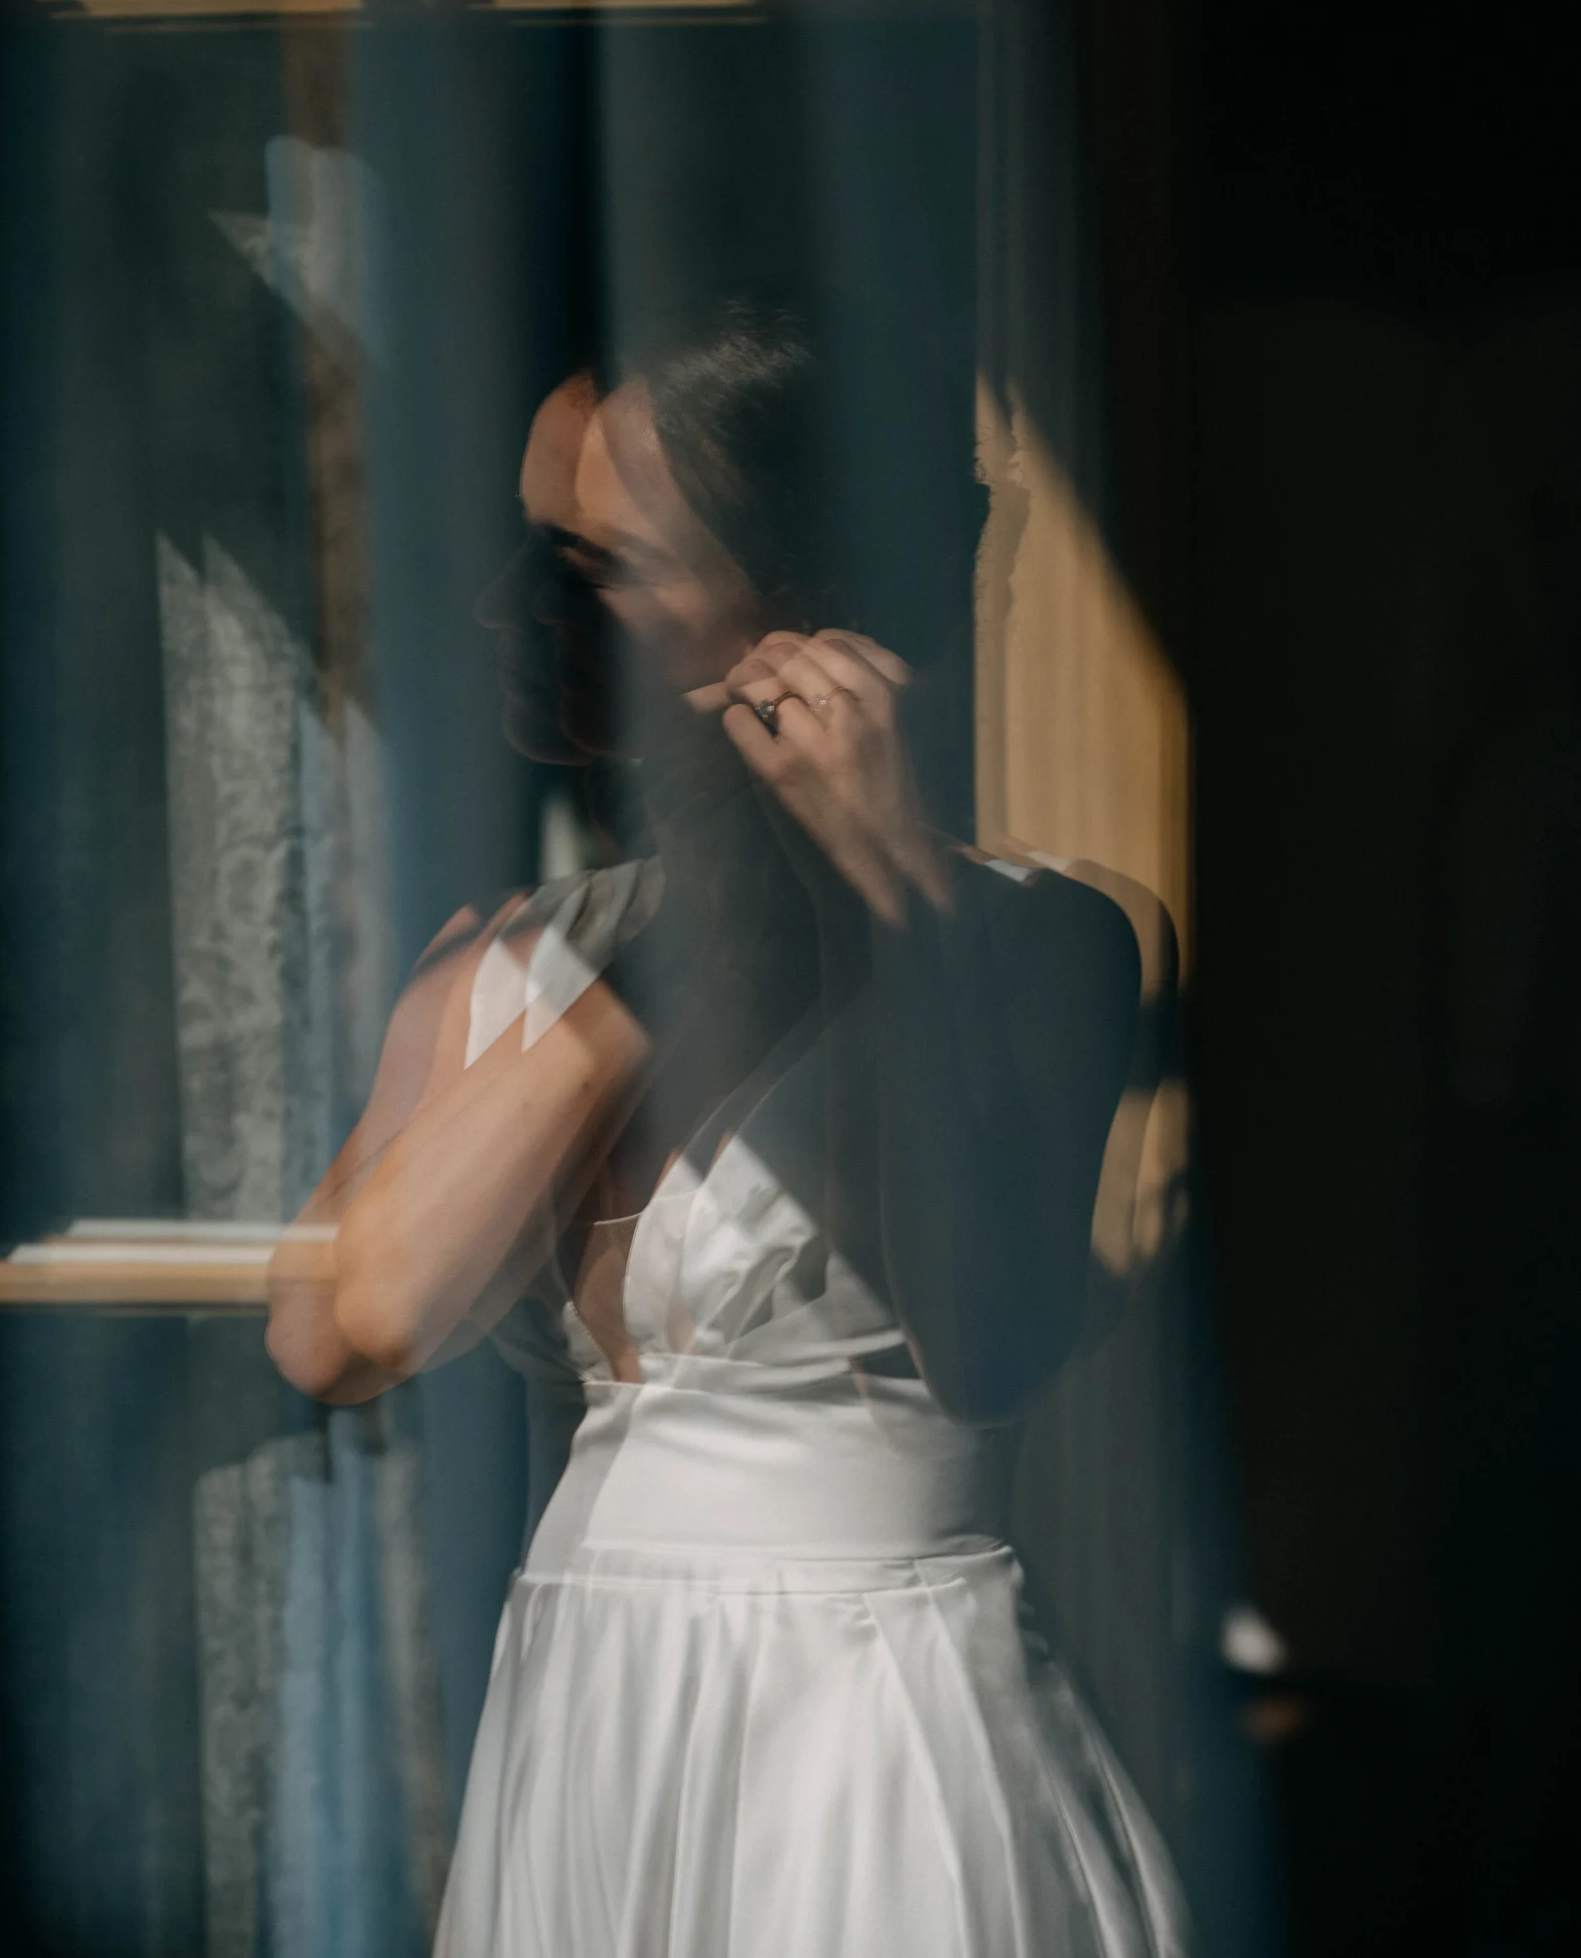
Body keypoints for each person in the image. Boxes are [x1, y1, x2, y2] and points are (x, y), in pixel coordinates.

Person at [268, 305, 1189, 1956]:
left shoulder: (1035, 938)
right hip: (588, 1727)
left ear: (807, 610)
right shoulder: (511, 960)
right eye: (522, 545)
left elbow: (991, 1342)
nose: (506, 605)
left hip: (865, 1740)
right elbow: (349, 1331)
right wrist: (690, 927)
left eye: (591, 562)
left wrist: (886, 890)